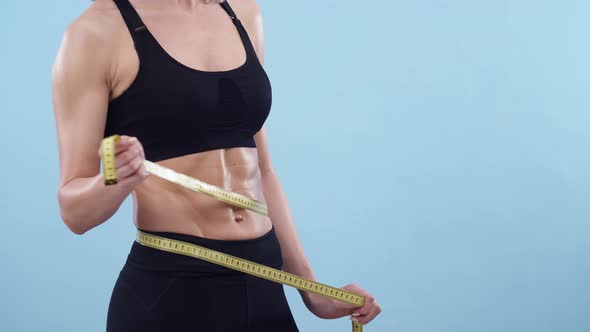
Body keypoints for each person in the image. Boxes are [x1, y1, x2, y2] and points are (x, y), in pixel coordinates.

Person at [51, 0, 381, 330]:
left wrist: (310, 288)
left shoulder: (241, 12)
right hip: (172, 292)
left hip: (262, 284)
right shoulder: (95, 33)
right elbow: (74, 212)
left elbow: (262, 169)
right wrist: (114, 180)